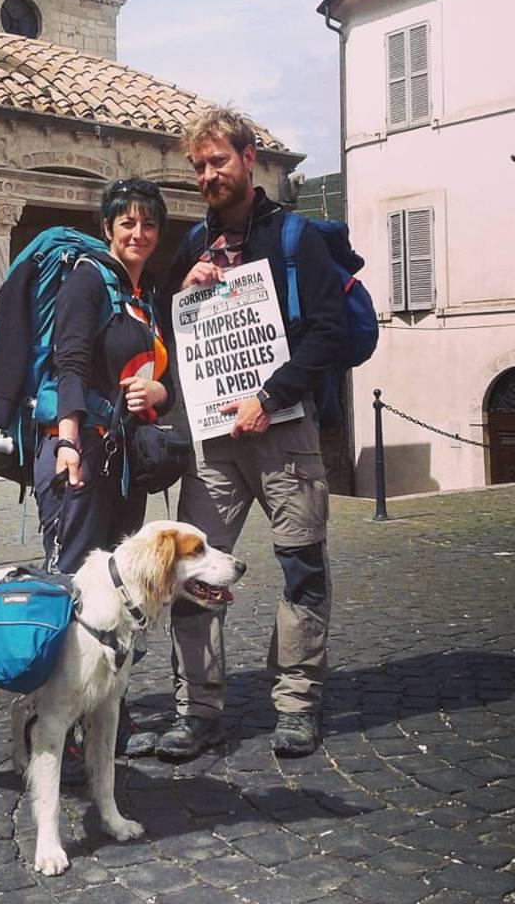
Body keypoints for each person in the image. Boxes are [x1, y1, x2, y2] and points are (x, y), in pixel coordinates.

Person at [155, 106, 347, 761]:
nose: (209, 175)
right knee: (191, 574)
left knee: (301, 572)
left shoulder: (296, 239)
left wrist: (271, 395)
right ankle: (196, 711)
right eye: (198, 166)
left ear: (248, 158)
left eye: (219, 161)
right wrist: (184, 288)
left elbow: (331, 333)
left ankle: (296, 706)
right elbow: (166, 333)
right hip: (214, 445)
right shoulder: (189, 245)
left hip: (284, 433)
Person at [33, 177, 174, 776]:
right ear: (108, 228)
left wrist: (160, 392)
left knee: (119, 590)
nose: (137, 233)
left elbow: (154, 380)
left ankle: (106, 709)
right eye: (126, 223)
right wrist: (66, 443)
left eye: (147, 225)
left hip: (121, 465)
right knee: (72, 587)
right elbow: (68, 364)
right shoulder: (88, 280)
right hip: (82, 457)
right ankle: (54, 720)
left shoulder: (139, 296)